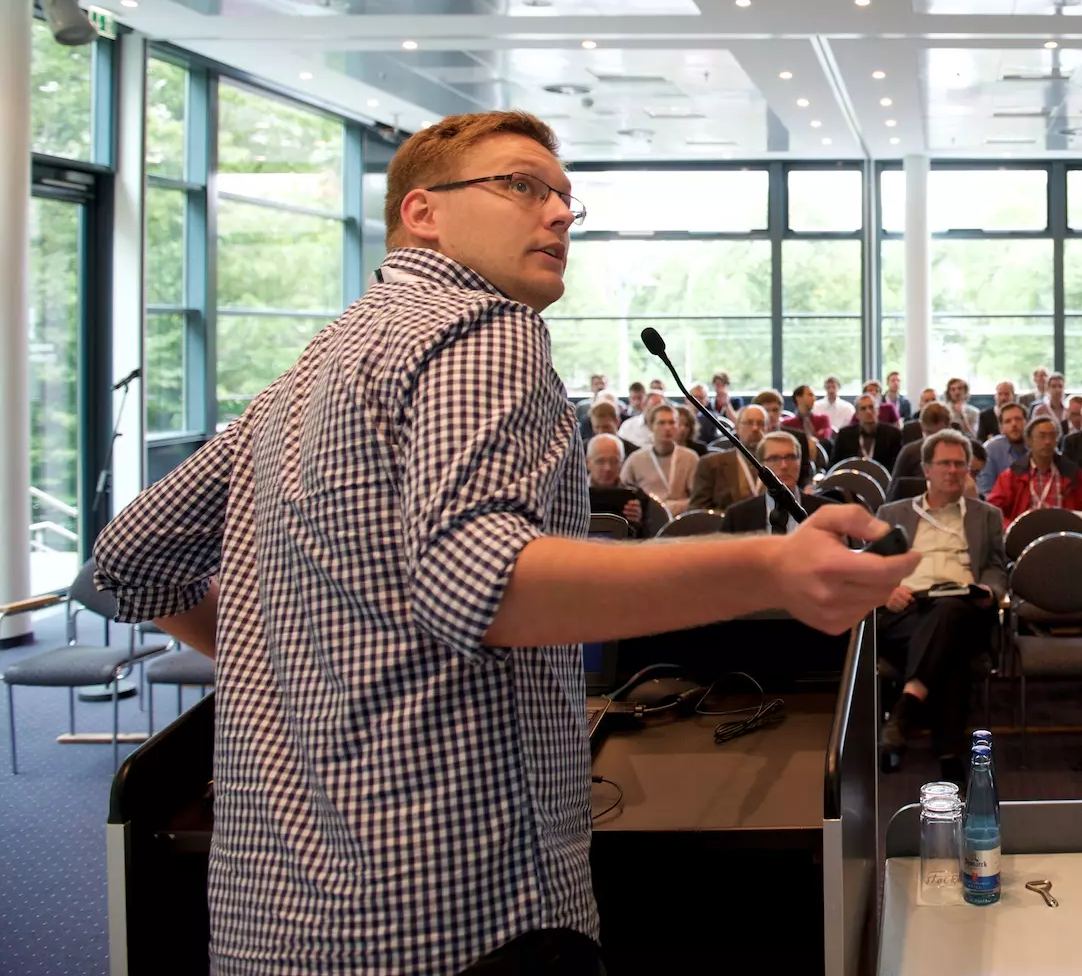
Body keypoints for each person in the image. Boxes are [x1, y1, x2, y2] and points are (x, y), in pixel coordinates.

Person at [91, 110, 916, 976]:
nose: (557, 212)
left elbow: (131, 555)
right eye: (521, 185)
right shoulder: (484, 328)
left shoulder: (305, 377)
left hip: (278, 914)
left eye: (565, 197)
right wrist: (771, 566)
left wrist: (300, 660)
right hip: (464, 910)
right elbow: (478, 581)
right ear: (424, 213)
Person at [877, 431, 1007, 777]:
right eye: (944, 463)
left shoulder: (986, 515)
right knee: (951, 649)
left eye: (959, 464)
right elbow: (873, 568)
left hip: (964, 605)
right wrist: (886, 591)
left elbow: (997, 566)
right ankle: (949, 755)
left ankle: (904, 709)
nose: (952, 470)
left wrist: (990, 590)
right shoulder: (893, 513)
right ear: (926, 470)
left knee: (951, 613)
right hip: (905, 610)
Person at [987, 416, 1082, 524]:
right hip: (1023, 537)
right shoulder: (1011, 476)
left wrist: (1070, 517)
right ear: (1029, 441)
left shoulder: (1073, 474)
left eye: (1052, 436)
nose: (1047, 442)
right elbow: (993, 513)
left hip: (1064, 535)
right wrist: (1013, 529)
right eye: (1042, 436)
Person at [721, 431, 831, 533]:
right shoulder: (737, 517)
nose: (784, 465)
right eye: (774, 458)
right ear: (761, 466)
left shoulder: (827, 511)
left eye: (791, 457)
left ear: (800, 461)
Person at [689, 403, 770, 512]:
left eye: (761, 423)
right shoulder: (711, 464)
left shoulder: (780, 463)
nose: (755, 428)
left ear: (768, 429)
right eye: (749, 423)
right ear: (737, 427)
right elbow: (698, 511)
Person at [621, 402, 697, 518]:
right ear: (651, 427)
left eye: (672, 423)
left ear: (677, 426)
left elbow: (697, 497)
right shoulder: (636, 459)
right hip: (645, 519)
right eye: (661, 423)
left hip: (681, 519)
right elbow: (623, 491)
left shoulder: (690, 458)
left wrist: (670, 507)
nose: (667, 428)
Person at [587, 434, 651, 534]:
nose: (608, 468)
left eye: (614, 461)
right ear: (588, 463)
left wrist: (639, 522)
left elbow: (649, 538)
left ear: (622, 463)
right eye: (600, 461)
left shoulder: (636, 496)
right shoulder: (574, 495)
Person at [832, 391, 903, 470]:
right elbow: (834, 465)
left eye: (871, 407)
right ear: (857, 415)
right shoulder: (844, 435)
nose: (868, 412)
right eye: (863, 408)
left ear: (878, 411)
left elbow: (898, 466)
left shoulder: (893, 434)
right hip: (851, 479)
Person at [892, 402, 954, 487]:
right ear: (921, 427)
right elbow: (894, 491)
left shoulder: (959, 452)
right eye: (929, 433)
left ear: (949, 427)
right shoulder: (910, 453)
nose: (934, 439)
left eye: (940, 434)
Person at [978, 402, 1030, 496]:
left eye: (1018, 419)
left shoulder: (1039, 446)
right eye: (1008, 421)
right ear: (1001, 427)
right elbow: (986, 491)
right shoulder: (990, 449)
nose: (1014, 424)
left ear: (1027, 422)